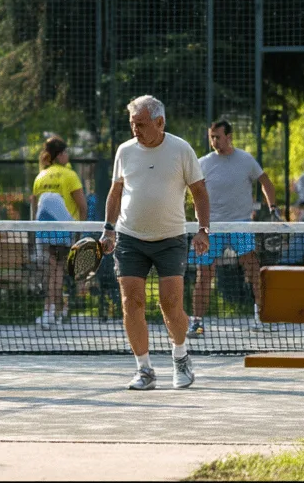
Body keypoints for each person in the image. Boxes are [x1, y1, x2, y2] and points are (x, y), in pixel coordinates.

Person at [101, 95, 210, 391]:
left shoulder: (181, 149)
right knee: (131, 302)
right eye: (132, 124)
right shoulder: (124, 151)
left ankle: (180, 356)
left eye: (140, 124)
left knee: (170, 304)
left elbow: (199, 192)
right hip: (129, 238)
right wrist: (109, 229)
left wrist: (203, 230)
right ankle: (144, 369)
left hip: (171, 239)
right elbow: (115, 192)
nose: (134, 129)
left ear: (159, 122)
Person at [190, 120, 280, 336]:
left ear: (229, 137)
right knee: (204, 274)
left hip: (241, 224)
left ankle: (262, 317)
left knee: (253, 269)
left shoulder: (246, 160)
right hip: (211, 227)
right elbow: (193, 191)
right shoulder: (203, 163)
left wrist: (273, 208)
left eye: (218, 137)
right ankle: (197, 323)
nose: (214, 141)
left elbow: (266, 182)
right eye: (211, 137)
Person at [31, 136, 87, 329]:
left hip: (43, 232)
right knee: (57, 272)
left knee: (52, 272)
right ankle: (52, 311)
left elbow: (34, 208)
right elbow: (82, 206)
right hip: (63, 231)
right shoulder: (70, 176)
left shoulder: (40, 177)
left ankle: (53, 311)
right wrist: (80, 233)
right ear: (61, 154)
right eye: (66, 152)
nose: (68, 156)